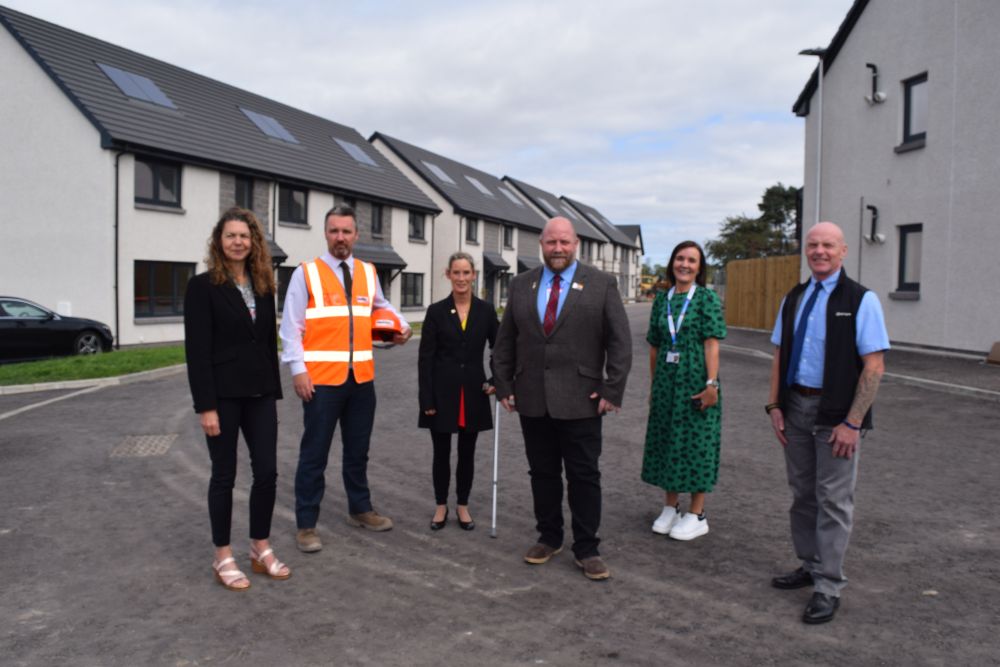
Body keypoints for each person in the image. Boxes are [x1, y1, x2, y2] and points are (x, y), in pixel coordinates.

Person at [494, 217, 632, 581]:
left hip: (582, 400)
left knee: (584, 475)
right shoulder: (522, 284)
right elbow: (506, 339)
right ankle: (548, 537)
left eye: (565, 242)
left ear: (576, 245)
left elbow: (620, 341)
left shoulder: (602, 284)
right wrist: (504, 385)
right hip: (532, 399)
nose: (558, 248)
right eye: (552, 242)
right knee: (542, 472)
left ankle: (587, 548)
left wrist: (611, 389)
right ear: (541, 243)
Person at [766, 221, 889, 624]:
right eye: (813, 245)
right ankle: (810, 564)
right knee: (803, 494)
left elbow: (874, 366)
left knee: (834, 501)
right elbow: (780, 355)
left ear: (844, 251)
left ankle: (828, 586)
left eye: (828, 245)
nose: (820, 251)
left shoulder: (861, 299)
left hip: (836, 416)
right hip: (796, 407)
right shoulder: (796, 297)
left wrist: (853, 424)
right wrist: (775, 406)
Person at [280, 204, 412, 553]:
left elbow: (381, 307)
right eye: (334, 231)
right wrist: (298, 371)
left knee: (358, 451)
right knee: (314, 454)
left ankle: (360, 508)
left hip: (361, 379)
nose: (340, 237)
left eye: (346, 231)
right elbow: (290, 327)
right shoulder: (305, 273)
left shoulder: (368, 272)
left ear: (356, 235)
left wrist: (402, 327)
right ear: (325, 233)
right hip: (321, 382)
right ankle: (306, 524)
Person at [184, 207, 290, 591]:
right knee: (224, 476)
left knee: (267, 473)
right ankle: (222, 555)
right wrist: (206, 406)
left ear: (254, 242)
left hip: (260, 394)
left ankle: (259, 547)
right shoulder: (202, 287)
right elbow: (197, 352)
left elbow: (266, 344)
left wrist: (274, 395)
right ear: (219, 241)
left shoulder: (264, 284)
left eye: (244, 236)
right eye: (230, 236)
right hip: (223, 397)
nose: (238, 242)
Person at [641, 241, 726, 541]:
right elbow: (654, 346)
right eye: (680, 258)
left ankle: (697, 513)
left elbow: (711, 343)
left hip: (696, 380)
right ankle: (671, 506)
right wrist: (654, 386)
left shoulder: (706, 299)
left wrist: (711, 384)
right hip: (666, 382)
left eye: (692, 260)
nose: (685, 264)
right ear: (672, 263)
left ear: (700, 267)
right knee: (668, 441)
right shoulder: (661, 300)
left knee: (696, 444)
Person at [418, 252, 499, 531]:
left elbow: (498, 349)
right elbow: (425, 358)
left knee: (467, 452)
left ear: (474, 275)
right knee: (441, 453)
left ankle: (462, 506)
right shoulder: (436, 311)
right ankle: (441, 506)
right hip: (441, 394)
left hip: (473, 393)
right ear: (448, 275)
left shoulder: (486, 311)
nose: (461, 278)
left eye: (466, 273)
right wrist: (426, 398)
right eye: (457, 273)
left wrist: (496, 379)